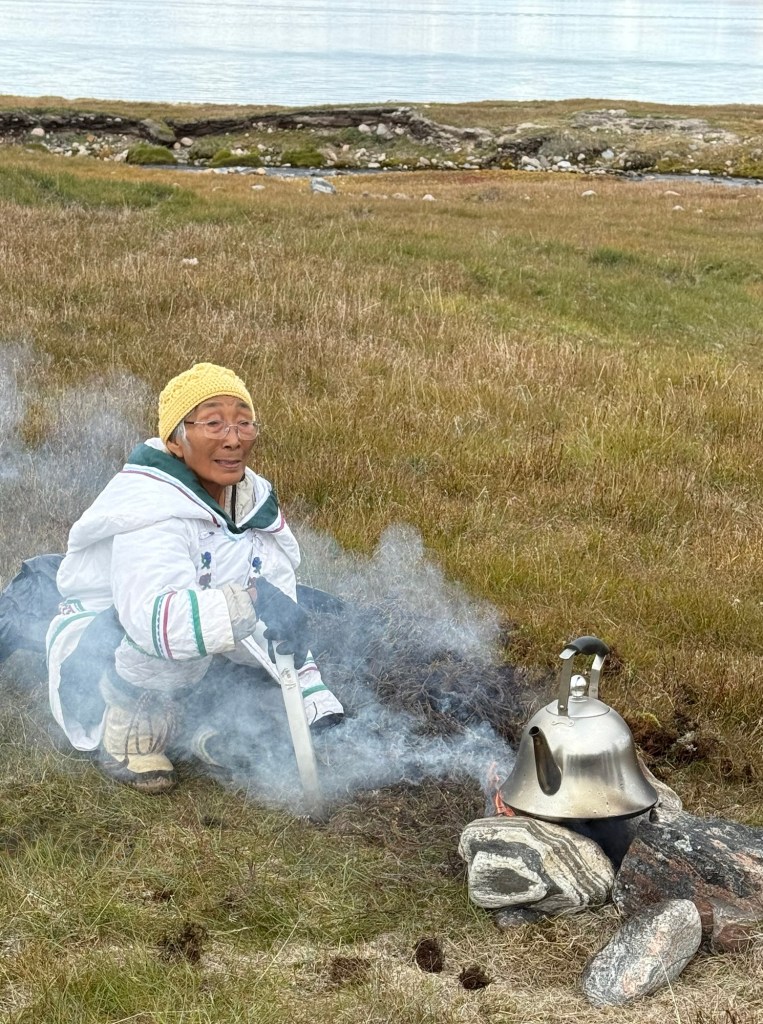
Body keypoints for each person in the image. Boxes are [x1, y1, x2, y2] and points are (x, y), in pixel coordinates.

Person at [46, 362, 344, 795]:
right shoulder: (150, 509)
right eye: (213, 423)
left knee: (266, 635)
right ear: (175, 440)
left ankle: (208, 726)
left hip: (203, 639)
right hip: (106, 648)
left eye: (244, 422)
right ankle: (129, 733)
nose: (233, 439)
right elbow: (156, 622)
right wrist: (251, 600)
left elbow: (275, 614)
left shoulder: (253, 504)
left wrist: (312, 696)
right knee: (185, 640)